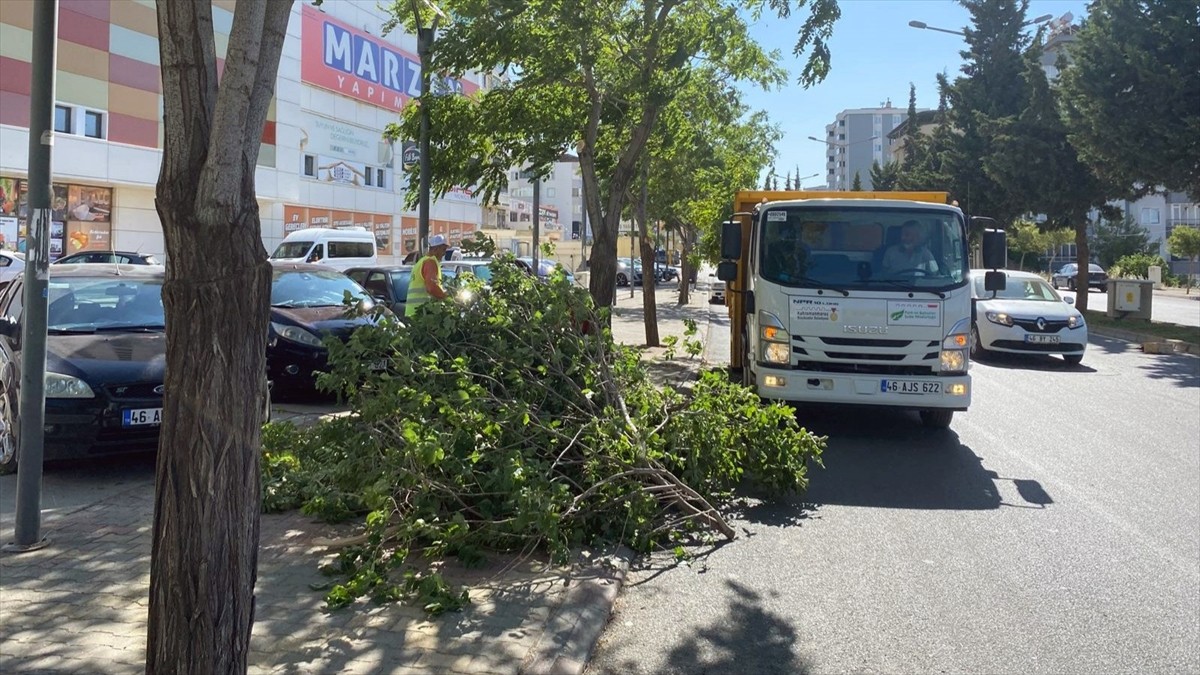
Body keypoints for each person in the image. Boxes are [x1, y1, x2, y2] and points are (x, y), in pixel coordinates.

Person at [405, 234, 450, 317]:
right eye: (443, 250)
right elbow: (432, 287)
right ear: (436, 249)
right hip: (422, 312)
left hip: (414, 311)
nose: (444, 253)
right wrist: (446, 298)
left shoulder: (421, 261)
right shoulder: (430, 262)